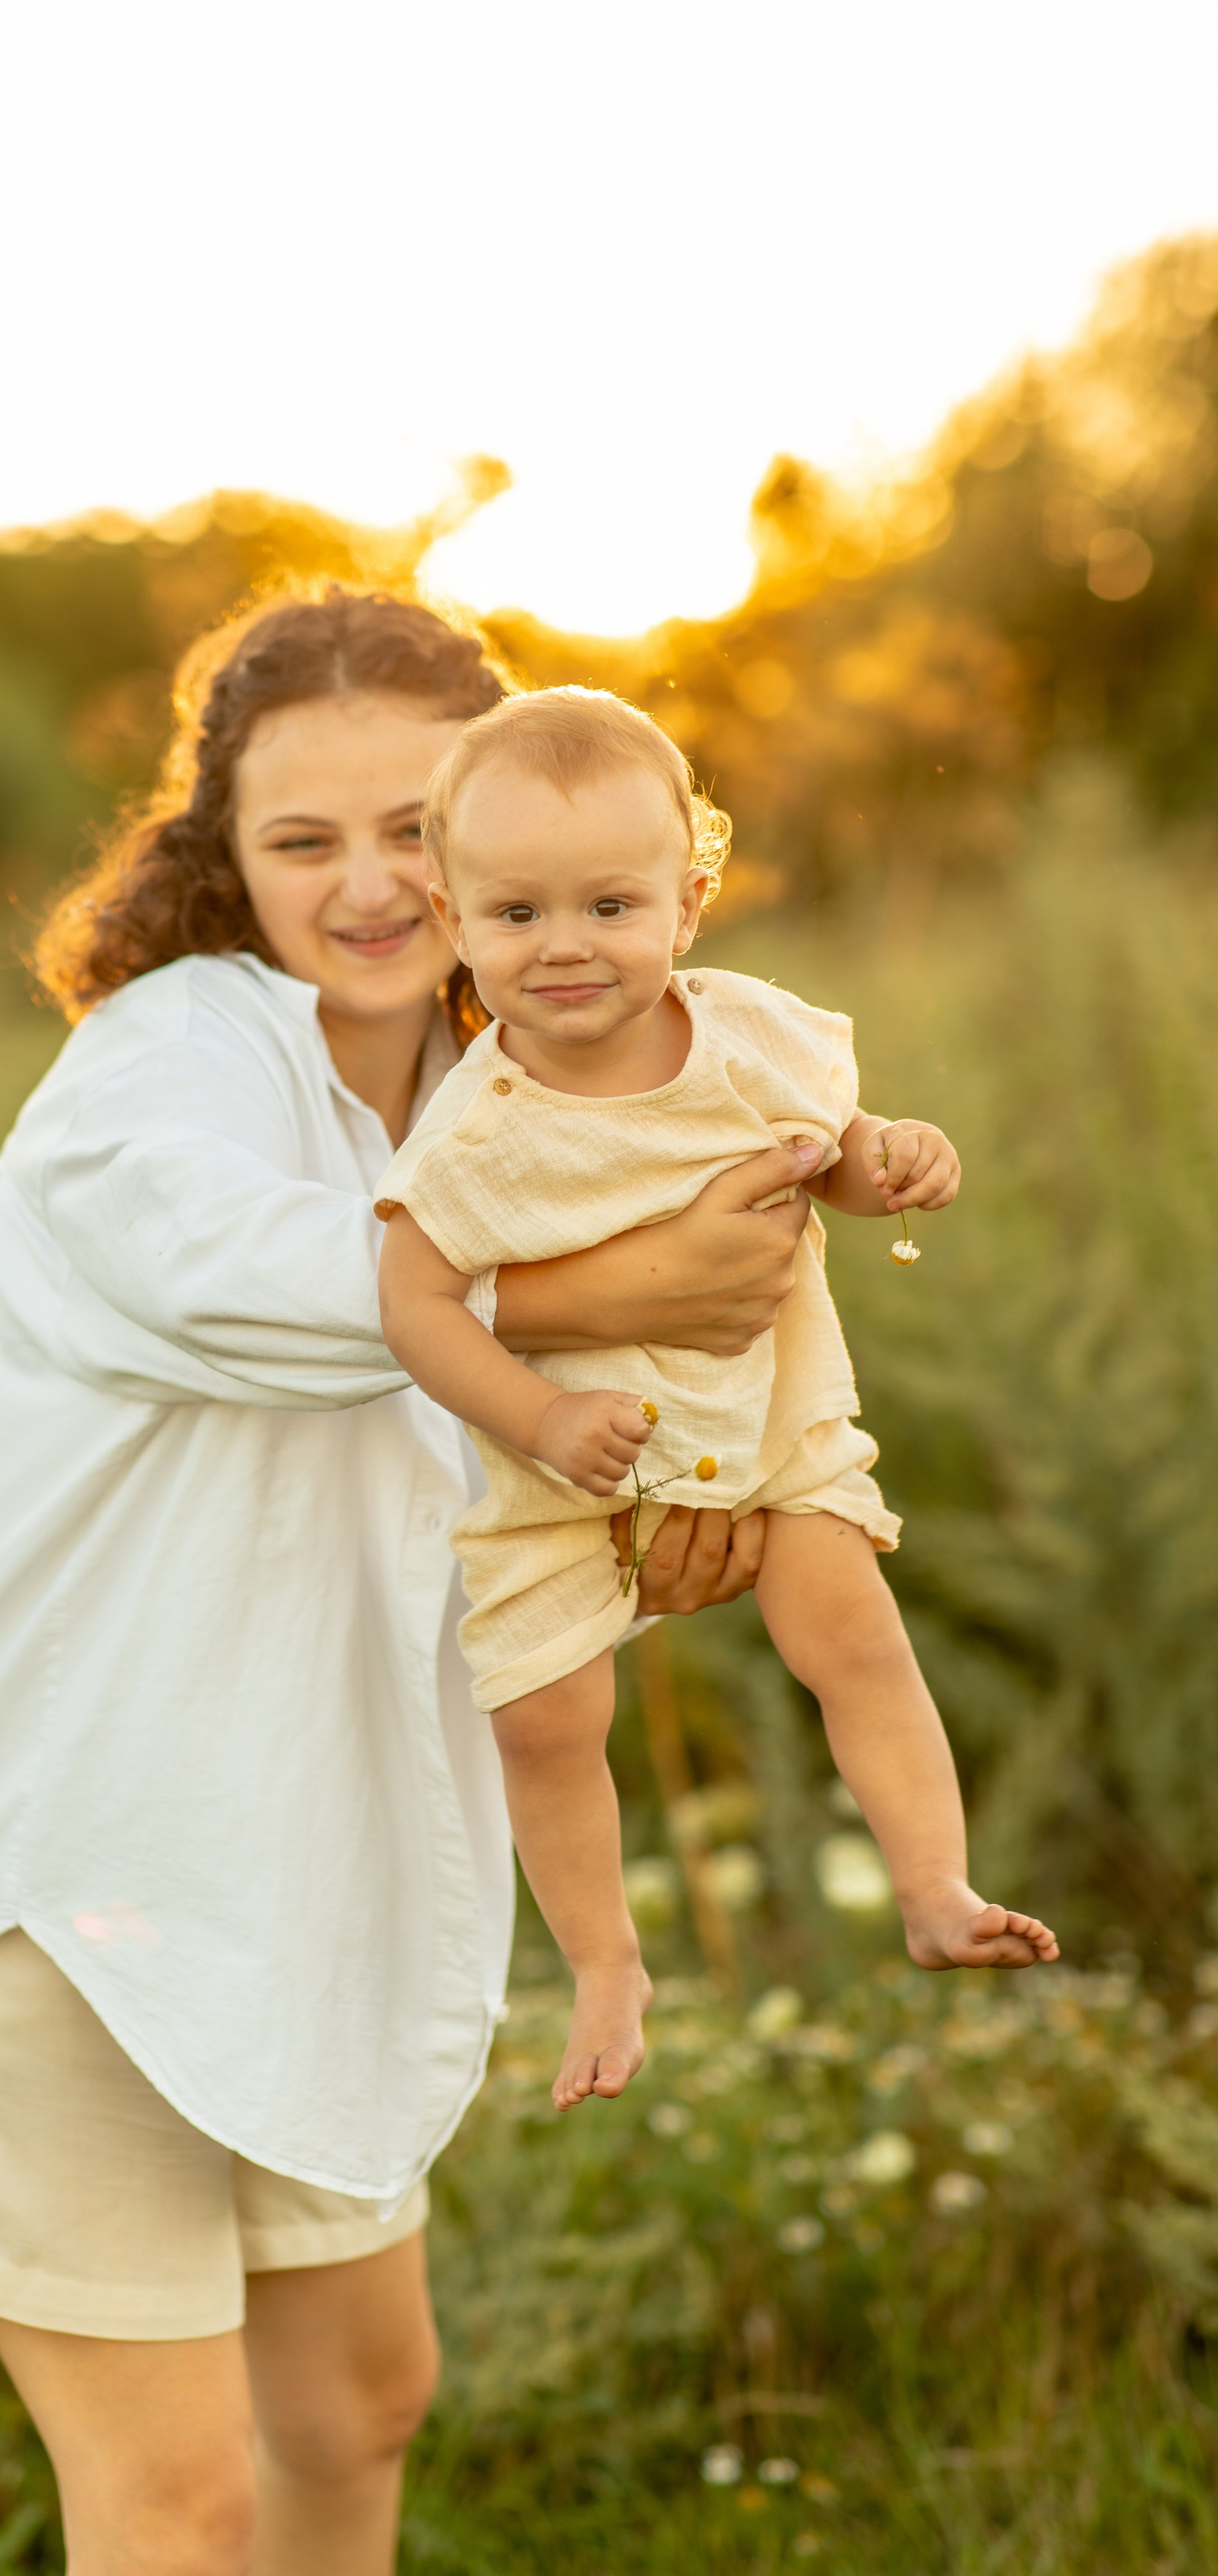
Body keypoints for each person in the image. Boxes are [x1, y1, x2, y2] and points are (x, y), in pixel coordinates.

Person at [0, 589, 825, 2576]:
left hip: (293, 1861)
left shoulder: (502, 1094)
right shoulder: (159, 1064)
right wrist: (602, 1295)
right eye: (302, 840)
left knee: (359, 2403)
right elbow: (240, 1277)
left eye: (413, 831)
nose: (370, 885)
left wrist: (695, 1501)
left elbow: (589, 1409)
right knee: (177, 2506)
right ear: (221, 857)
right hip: (62, 1872)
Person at [376, 686, 1060, 2117]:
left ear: (688, 904)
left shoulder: (750, 1040)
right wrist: (540, 1418)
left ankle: (932, 1886)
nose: (563, 946)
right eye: (514, 917)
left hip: (764, 1426)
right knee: (544, 1721)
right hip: (561, 1476)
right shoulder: (476, 1133)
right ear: (450, 917)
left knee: (854, 1638)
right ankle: (604, 1961)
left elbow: (830, 1153)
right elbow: (412, 1304)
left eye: (610, 906)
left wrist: (890, 1160)